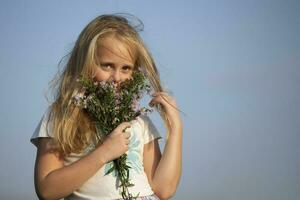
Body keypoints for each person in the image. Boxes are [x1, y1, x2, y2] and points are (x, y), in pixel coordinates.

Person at [30, 14, 182, 200]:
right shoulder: (63, 117)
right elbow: (47, 190)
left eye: (126, 68)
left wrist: (176, 129)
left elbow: (163, 190)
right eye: (107, 66)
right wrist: (104, 152)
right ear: (85, 64)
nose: (117, 78)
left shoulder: (139, 122)